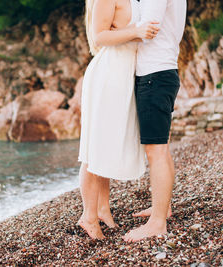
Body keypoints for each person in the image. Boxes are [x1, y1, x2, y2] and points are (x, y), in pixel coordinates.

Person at [77, 0, 160, 239]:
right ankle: (88, 216)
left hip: (123, 74)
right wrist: (136, 31)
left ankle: (102, 209)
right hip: (109, 75)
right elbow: (99, 36)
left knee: (105, 146)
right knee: (95, 149)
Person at [123, 0, 187, 242]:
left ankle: (158, 222)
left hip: (154, 75)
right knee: (161, 148)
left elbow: (147, 31)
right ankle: (163, 208)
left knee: (156, 151)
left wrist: (112, 36)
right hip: (163, 72)